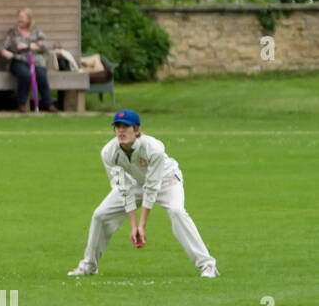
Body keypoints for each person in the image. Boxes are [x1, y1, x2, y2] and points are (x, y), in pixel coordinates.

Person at [69, 110, 219, 278]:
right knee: (100, 215)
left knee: (177, 212)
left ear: (137, 129)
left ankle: (208, 265)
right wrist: (133, 226)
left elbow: (152, 188)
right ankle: (89, 266)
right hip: (135, 183)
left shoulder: (154, 149)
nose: (121, 131)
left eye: (125, 126)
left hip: (166, 180)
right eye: (117, 126)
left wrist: (142, 226)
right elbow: (123, 189)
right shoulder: (109, 152)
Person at [0, 8, 58, 112]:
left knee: (41, 75)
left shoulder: (36, 31)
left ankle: (48, 104)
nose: (19, 19)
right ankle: (22, 104)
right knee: (26, 75)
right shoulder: (13, 32)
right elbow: (3, 47)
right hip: (18, 60)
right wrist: (6, 52)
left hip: (36, 60)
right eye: (19, 17)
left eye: (22, 17)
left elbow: (44, 46)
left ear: (29, 19)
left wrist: (28, 46)